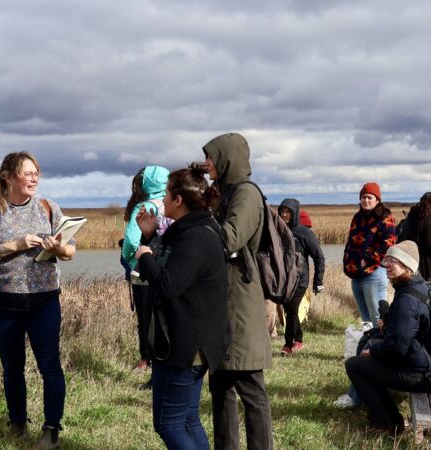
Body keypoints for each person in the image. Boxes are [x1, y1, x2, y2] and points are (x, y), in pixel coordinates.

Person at [0, 152, 75, 449]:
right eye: (27, 173)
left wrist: (59, 248)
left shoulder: (47, 207)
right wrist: (15, 245)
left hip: (44, 301)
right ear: (8, 177)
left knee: (50, 366)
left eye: (36, 173)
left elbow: (71, 251)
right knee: (12, 367)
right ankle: (17, 425)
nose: (34, 178)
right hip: (4, 303)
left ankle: (51, 431)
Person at [134, 165, 230, 450]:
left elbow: (167, 285)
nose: (161, 200)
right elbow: (176, 268)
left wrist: (144, 256)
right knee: (188, 420)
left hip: (185, 347)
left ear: (178, 201)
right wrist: (149, 237)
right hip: (193, 345)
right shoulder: (192, 230)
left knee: (168, 424)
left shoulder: (196, 237)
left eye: (165, 194)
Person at [202, 132, 274, 450]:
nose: (206, 163)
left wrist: (197, 215)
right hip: (224, 300)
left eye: (211, 156)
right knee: (221, 384)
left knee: (249, 385)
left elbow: (229, 239)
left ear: (226, 158)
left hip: (240, 302)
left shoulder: (245, 195)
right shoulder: (227, 193)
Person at [344, 240, 431, 432]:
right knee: (369, 344)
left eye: (393, 260)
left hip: (421, 374)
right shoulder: (417, 287)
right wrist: (388, 324)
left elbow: (397, 347)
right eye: (386, 259)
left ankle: (386, 422)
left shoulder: (407, 299)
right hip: (425, 363)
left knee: (355, 365)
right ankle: (387, 418)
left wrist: (374, 351)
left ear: (407, 265)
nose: (386, 265)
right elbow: (408, 332)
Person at [121, 166, 170, 376]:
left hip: (144, 270)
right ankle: (162, 361)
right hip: (167, 270)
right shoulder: (172, 204)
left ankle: (147, 361)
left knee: (145, 318)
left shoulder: (143, 206)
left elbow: (131, 241)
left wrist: (130, 257)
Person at [343, 183, 397, 329]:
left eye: (369, 197)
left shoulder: (385, 218)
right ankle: (368, 349)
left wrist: (366, 259)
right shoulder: (357, 217)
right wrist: (347, 260)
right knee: (365, 320)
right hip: (356, 273)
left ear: (377, 200)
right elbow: (350, 242)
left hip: (375, 272)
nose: (366, 200)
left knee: (378, 318)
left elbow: (388, 244)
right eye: (363, 197)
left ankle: (381, 349)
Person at [277, 198, 325, 356]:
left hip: (300, 280)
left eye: (288, 212)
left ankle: (288, 345)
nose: (284, 215)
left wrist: (318, 281)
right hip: (284, 279)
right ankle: (299, 339)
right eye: (282, 211)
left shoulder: (304, 233)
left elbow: (319, 257)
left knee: (291, 309)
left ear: (295, 213)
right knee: (289, 309)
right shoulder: (278, 230)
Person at [400, 192, 431, 289]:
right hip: (426, 264)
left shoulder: (411, 217)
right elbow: (430, 245)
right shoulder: (426, 220)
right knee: (429, 292)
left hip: (411, 261)